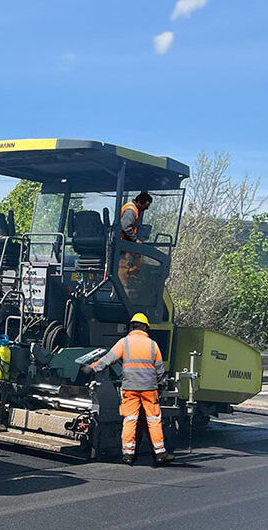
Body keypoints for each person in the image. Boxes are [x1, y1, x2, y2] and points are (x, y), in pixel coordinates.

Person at [82, 312, 174, 465]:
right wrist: (161, 384)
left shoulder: (123, 343)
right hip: (149, 389)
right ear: (145, 327)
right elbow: (160, 370)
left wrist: (92, 368)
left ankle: (128, 454)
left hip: (130, 389)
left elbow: (108, 359)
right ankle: (160, 453)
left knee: (130, 420)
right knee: (153, 420)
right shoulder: (152, 345)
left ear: (132, 326)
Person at [118, 192, 153, 283]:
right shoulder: (131, 210)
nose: (147, 208)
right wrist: (135, 240)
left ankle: (131, 277)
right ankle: (129, 280)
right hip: (122, 245)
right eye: (146, 205)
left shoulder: (133, 209)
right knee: (138, 257)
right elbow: (125, 227)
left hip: (124, 244)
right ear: (140, 202)